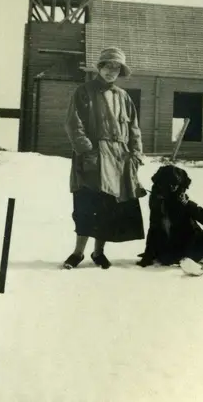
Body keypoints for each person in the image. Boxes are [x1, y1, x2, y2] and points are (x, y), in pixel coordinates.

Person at [62, 47, 148, 269]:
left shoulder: (124, 97)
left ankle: (98, 252)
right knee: (86, 205)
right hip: (92, 157)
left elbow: (134, 128)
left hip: (118, 160)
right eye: (108, 66)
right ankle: (78, 253)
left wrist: (136, 154)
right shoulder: (83, 92)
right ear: (99, 67)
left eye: (116, 68)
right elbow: (74, 124)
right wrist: (87, 149)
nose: (111, 71)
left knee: (107, 206)